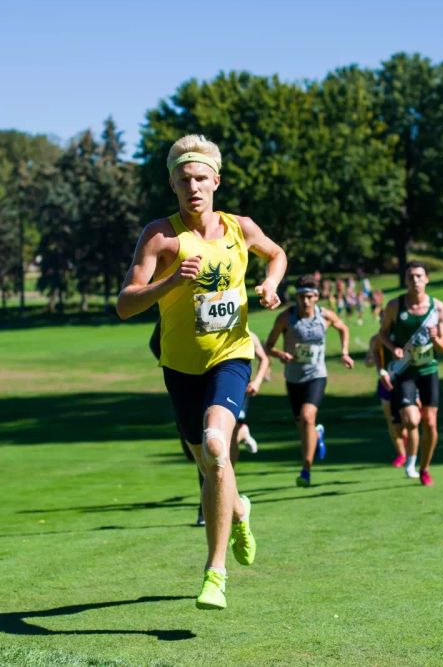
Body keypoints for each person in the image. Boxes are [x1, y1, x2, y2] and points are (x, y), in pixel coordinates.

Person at [117, 134, 287, 610]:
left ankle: (215, 574)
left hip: (231, 355)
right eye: (183, 179)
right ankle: (240, 509)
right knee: (211, 465)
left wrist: (270, 284)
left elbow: (276, 254)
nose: (193, 187)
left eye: (201, 178)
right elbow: (125, 304)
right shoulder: (160, 237)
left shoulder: (240, 227)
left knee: (217, 447)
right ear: (172, 184)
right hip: (180, 369)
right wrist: (171, 281)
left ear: (216, 179)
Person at [151, 323, 269, 527]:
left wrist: (256, 381)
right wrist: (173, 361)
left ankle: (208, 512)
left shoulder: (244, 330)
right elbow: (154, 342)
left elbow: (263, 358)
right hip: (186, 380)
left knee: (214, 445)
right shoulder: (172, 307)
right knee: (199, 454)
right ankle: (236, 507)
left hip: (227, 380)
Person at [265, 274, 355, 488]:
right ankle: (317, 434)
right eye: (301, 296)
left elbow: (343, 328)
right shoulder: (286, 318)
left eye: (309, 296)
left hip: (317, 375)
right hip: (293, 378)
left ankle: (306, 470)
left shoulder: (325, 316)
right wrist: (280, 355)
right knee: (303, 426)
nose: (305, 301)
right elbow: (268, 346)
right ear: (297, 297)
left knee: (307, 417)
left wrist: (344, 352)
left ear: (316, 297)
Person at [378, 261, 443, 487]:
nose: (415, 280)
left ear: (427, 279)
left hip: (428, 370)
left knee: (431, 425)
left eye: (419, 276)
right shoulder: (395, 306)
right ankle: (410, 459)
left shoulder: (437, 308)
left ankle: (424, 469)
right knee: (411, 419)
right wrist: (393, 348)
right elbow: (382, 334)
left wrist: (436, 338)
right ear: (406, 281)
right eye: (410, 277)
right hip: (405, 371)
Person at [370, 334, 419, 477]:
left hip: (407, 381)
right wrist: (378, 368)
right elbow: (371, 356)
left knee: (410, 421)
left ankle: (409, 457)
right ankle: (401, 453)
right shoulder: (377, 339)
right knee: (393, 421)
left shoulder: (407, 334)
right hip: (386, 383)